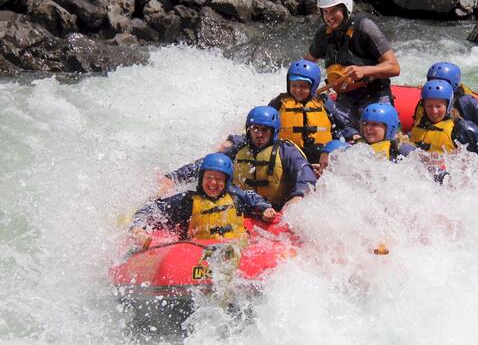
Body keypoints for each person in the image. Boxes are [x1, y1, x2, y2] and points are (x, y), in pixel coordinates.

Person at [164, 106, 317, 211]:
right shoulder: (239, 147)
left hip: (273, 210)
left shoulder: (286, 151)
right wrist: (174, 177)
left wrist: (298, 196)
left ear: (274, 132)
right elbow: (208, 164)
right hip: (241, 206)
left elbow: (306, 175)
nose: (259, 134)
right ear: (248, 129)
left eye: (265, 130)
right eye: (255, 129)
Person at [305, 0, 400, 132]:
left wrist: (365, 71)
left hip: (375, 96)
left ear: (345, 8)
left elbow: (394, 67)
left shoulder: (365, 27)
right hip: (345, 98)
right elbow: (307, 64)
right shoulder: (323, 33)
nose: (329, 17)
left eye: (334, 10)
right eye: (325, 11)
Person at [130, 153, 276, 243]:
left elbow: (255, 199)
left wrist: (265, 209)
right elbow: (151, 209)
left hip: (237, 247)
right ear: (201, 179)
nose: (213, 183)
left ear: (226, 181)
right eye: (209, 177)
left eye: (219, 179)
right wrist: (137, 229)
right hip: (199, 252)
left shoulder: (236, 196)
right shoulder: (187, 201)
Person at [268, 59, 357, 163]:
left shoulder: (324, 102)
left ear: (313, 86)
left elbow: (340, 128)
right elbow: (264, 125)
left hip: (318, 157)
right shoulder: (279, 103)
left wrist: (352, 134)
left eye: (303, 86)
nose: (297, 90)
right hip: (288, 157)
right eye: (294, 85)